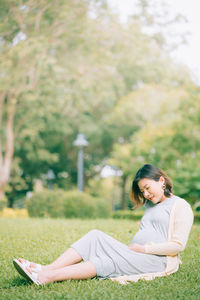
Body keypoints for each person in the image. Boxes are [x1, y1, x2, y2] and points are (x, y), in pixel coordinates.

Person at [13, 164, 194, 285]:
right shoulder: (150, 205)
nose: (145, 194)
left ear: (161, 180)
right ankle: (46, 268)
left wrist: (144, 249)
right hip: (135, 254)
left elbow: (178, 246)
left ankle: (46, 276)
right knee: (94, 235)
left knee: (106, 262)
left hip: (156, 262)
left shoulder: (181, 206)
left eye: (147, 188)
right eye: (142, 191)